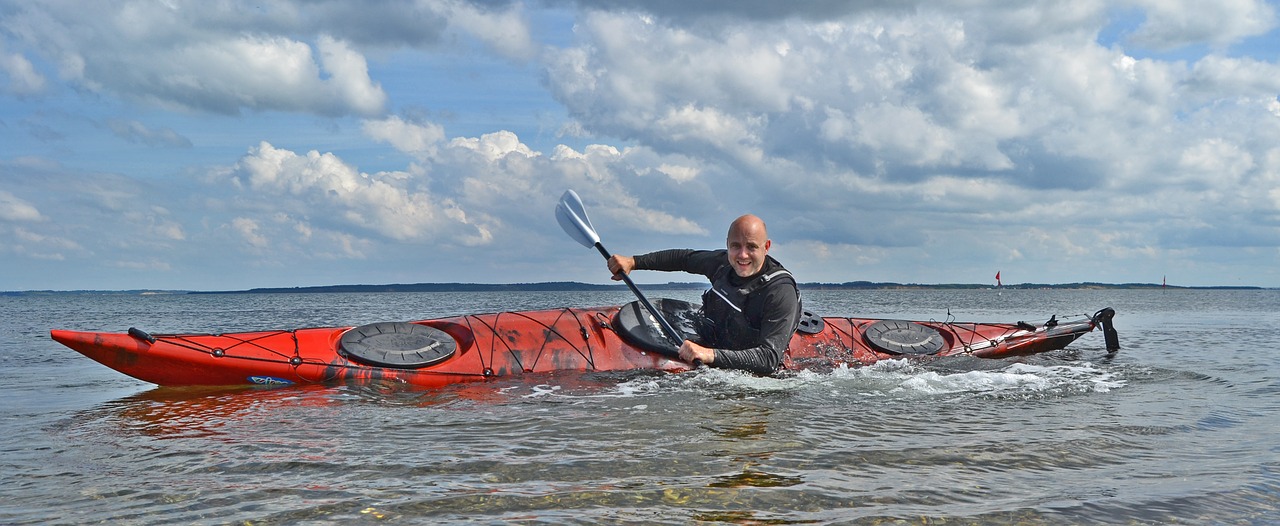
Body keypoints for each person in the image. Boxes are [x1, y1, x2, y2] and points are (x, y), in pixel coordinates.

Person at [606, 214, 801, 375]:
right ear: (727, 245)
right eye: (735, 246)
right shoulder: (722, 263)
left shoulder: (781, 292)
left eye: (751, 247)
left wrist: (709, 355)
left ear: (766, 247)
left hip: (758, 371)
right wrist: (633, 262)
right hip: (719, 338)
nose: (742, 255)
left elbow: (769, 359)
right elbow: (683, 259)